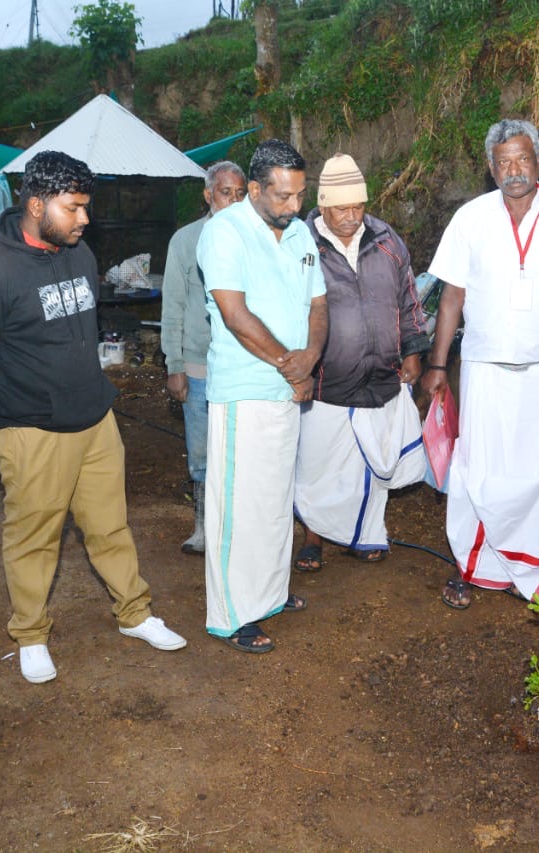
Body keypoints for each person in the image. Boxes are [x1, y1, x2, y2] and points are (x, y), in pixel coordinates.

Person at [0, 150, 186, 685]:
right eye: (74, 207)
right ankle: (30, 635)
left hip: (96, 420)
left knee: (110, 526)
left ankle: (134, 613)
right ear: (36, 205)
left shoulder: (80, 256)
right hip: (32, 429)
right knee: (34, 537)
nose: (85, 219)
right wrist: (14, 414)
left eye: (87, 207)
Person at [422, 119, 539, 609]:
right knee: (477, 470)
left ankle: (529, 567)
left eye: (523, 159)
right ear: (491, 168)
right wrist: (439, 365)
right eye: (503, 162)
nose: (514, 171)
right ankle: (473, 565)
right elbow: (451, 298)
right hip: (483, 370)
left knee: (538, 470)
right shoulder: (470, 218)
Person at [196, 139, 328, 653]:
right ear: (253, 190)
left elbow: (319, 302)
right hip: (245, 390)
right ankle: (233, 613)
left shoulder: (298, 234)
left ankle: (269, 594)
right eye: (282, 197)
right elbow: (235, 314)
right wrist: (289, 364)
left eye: (299, 195)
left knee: (275, 500)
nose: (294, 207)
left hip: (288, 388)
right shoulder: (224, 233)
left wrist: (311, 357)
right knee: (240, 506)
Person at [293, 153, 429, 571]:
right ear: (323, 203)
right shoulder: (300, 244)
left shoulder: (385, 239)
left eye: (359, 207)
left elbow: (408, 298)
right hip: (325, 382)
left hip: (379, 377)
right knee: (317, 466)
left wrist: (413, 349)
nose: (352, 217)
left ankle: (367, 535)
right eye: (341, 209)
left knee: (369, 463)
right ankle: (313, 537)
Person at [160, 160, 248, 555]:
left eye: (240, 193)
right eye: (225, 192)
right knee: (201, 448)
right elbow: (174, 305)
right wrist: (174, 365)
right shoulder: (186, 240)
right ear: (208, 194)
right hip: (199, 364)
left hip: (247, 362)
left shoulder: (258, 238)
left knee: (245, 446)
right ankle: (203, 525)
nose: (232, 200)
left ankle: (242, 525)